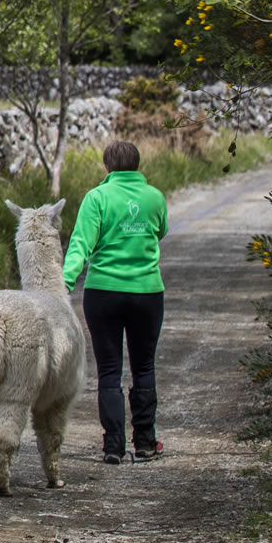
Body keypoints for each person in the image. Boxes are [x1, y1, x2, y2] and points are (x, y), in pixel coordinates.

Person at [62, 140, 168, 465]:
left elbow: (81, 243)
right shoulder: (155, 197)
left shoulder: (97, 198)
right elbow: (161, 231)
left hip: (103, 293)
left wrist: (63, 282)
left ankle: (113, 446)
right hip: (147, 292)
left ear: (107, 167)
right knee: (144, 366)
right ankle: (146, 443)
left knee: (109, 371)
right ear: (137, 165)